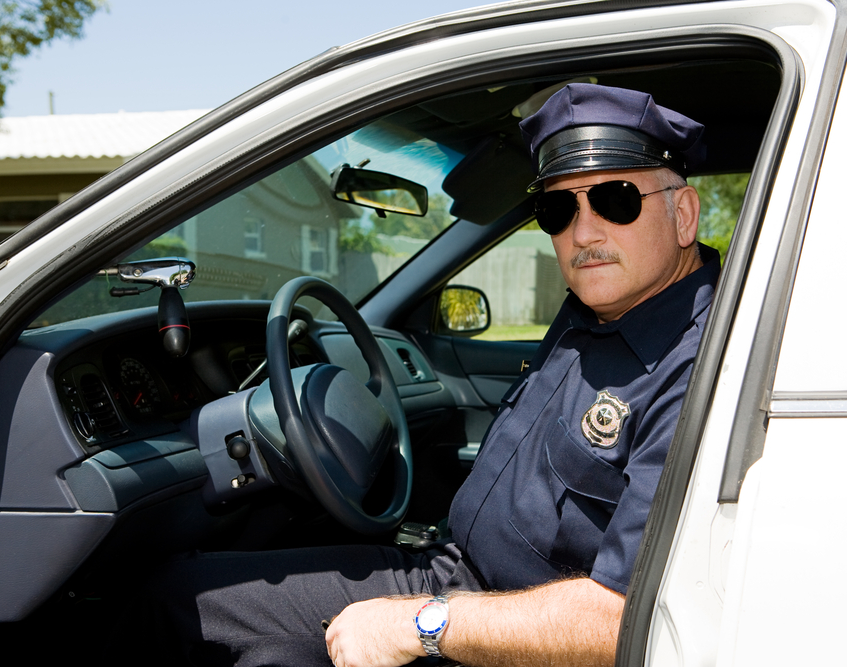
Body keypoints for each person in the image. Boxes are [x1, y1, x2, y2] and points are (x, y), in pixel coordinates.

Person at [153, 83, 719, 667]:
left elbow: (625, 620)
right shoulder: (595, 309)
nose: (584, 233)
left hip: (520, 634)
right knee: (182, 597)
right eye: (557, 209)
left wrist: (423, 625)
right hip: (451, 576)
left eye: (616, 200)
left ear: (683, 214)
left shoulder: (702, 369)